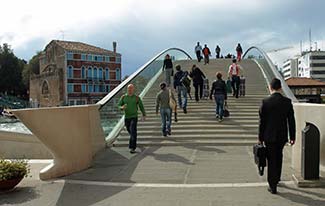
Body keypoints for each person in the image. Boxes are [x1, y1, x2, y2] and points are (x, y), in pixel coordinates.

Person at [258, 78, 296, 194]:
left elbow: (262, 122)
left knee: (271, 159)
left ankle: (272, 185)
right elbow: (291, 121)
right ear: (280, 88)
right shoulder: (287, 102)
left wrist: (260, 137)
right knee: (279, 156)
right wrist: (292, 136)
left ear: (271, 87)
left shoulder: (265, 102)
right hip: (281, 136)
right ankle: (277, 178)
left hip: (268, 136)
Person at [118, 84, 146, 153]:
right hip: (127, 117)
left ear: (133, 89)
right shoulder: (123, 97)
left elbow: (141, 106)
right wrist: (122, 107)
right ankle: (134, 138)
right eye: (129, 88)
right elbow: (119, 105)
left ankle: (132, 147)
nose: (130, 90)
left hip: (134, 116)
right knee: (130, 130)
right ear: (127, 89)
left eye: (131, 88)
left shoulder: (136, 98)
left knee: (133, 130)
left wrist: (144, 114)